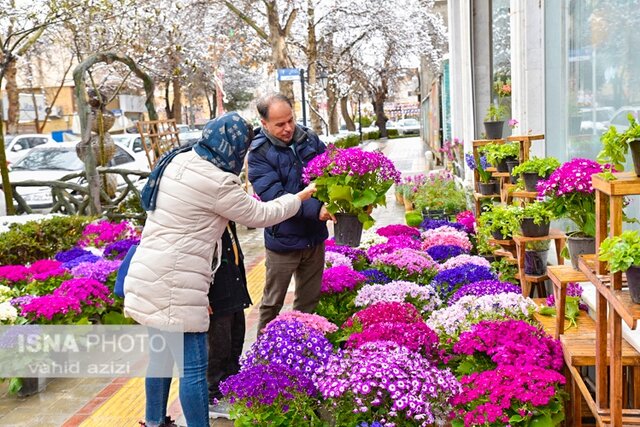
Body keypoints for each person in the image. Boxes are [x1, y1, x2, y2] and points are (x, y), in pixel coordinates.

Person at [123, 112, 317, 427]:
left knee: (160, 358)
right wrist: (299, 197)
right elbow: (259, 214)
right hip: (176, 285)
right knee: (194, 370)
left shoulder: (179, 160)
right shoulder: (217, 182)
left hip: (148, 275)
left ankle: (155, 421)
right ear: (234, 149)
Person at [247, 93, 335, 336]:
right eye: (279, 124)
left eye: (290, 120)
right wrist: (317, 210)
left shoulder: (309, 139)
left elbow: (329, 173)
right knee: (272, 303)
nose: (288, 128)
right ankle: (263, 353)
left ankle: (305, 346)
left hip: (314, 238)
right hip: (283, 240)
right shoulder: (258, 154)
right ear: (264, 124)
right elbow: (274, 196)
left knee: (308, 303)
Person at [206, 221, 249, 419]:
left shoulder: (226, 218)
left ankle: (232, 387)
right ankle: (213, 398)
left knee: (236, 336)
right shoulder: (205, 218)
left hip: (234, 285)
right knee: (218, 345)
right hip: (216, 292)